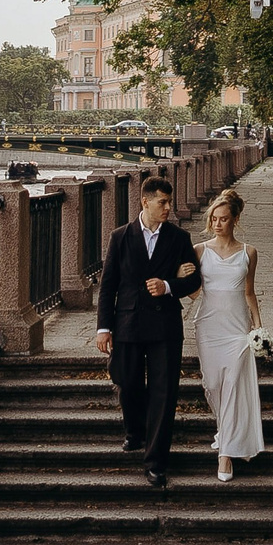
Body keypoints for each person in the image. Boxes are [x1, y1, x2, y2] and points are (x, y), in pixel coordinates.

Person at [95, 177, 202, 488]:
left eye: (169, 202)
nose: (168, 207)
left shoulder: (179, 237)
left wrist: (168, 285)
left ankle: (156, 462)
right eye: (162, 202)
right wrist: (104, 328)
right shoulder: (120, 237)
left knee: (164, 393)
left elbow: (194, 281)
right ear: (145, 201)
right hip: (127, 323)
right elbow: (108, 286)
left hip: (165, 325)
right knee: (127, 382)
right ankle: (135, 431)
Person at [190, 187, 266, 481]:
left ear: (235, 219)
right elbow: (192, 292)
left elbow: (249, 292)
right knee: (213, 385)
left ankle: (225, 455)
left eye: (223, 219)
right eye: (214, 219)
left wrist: (258, 327)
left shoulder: (249, 253)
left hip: (237, 329)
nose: (217, 223)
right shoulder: (199, 250)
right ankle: (227, 430)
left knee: (234, 382)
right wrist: (183, 278)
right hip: (208, 326)